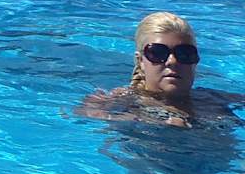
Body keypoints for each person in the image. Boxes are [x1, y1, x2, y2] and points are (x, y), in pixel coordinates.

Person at [80, 12, 240, 128]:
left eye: (184, 53)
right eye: (158, 53)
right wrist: (149, 121)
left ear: (196, 61)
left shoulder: (214, 99)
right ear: (140, 61)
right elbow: (84, 117)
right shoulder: (116, 101)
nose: (172, 61)